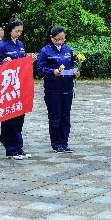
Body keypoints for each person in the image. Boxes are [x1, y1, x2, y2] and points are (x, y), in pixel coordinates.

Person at [37, 25, 79, 153]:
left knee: (66, 117)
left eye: (62, 39)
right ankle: (56, 144)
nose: (60, 41)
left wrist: (76, 73)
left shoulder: (68, 49)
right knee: (55, 117)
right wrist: (52, 71)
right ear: (51, 37)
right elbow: (40, 69)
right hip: (53, 89)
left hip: (67, 88)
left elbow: (71, 66)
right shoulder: (45, 51)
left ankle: (64, 142)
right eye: (57, 39)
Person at [0, 18, 32, 160]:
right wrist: (3, 62)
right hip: (7, 86)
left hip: (20, 85)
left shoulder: (21, 44)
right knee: (10, 118)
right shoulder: (2, 45)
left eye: (21, 31)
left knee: (19, 117)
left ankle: (18, 146)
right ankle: (10, 148)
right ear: (10, 30)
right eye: (17, 31)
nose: (19, 34)